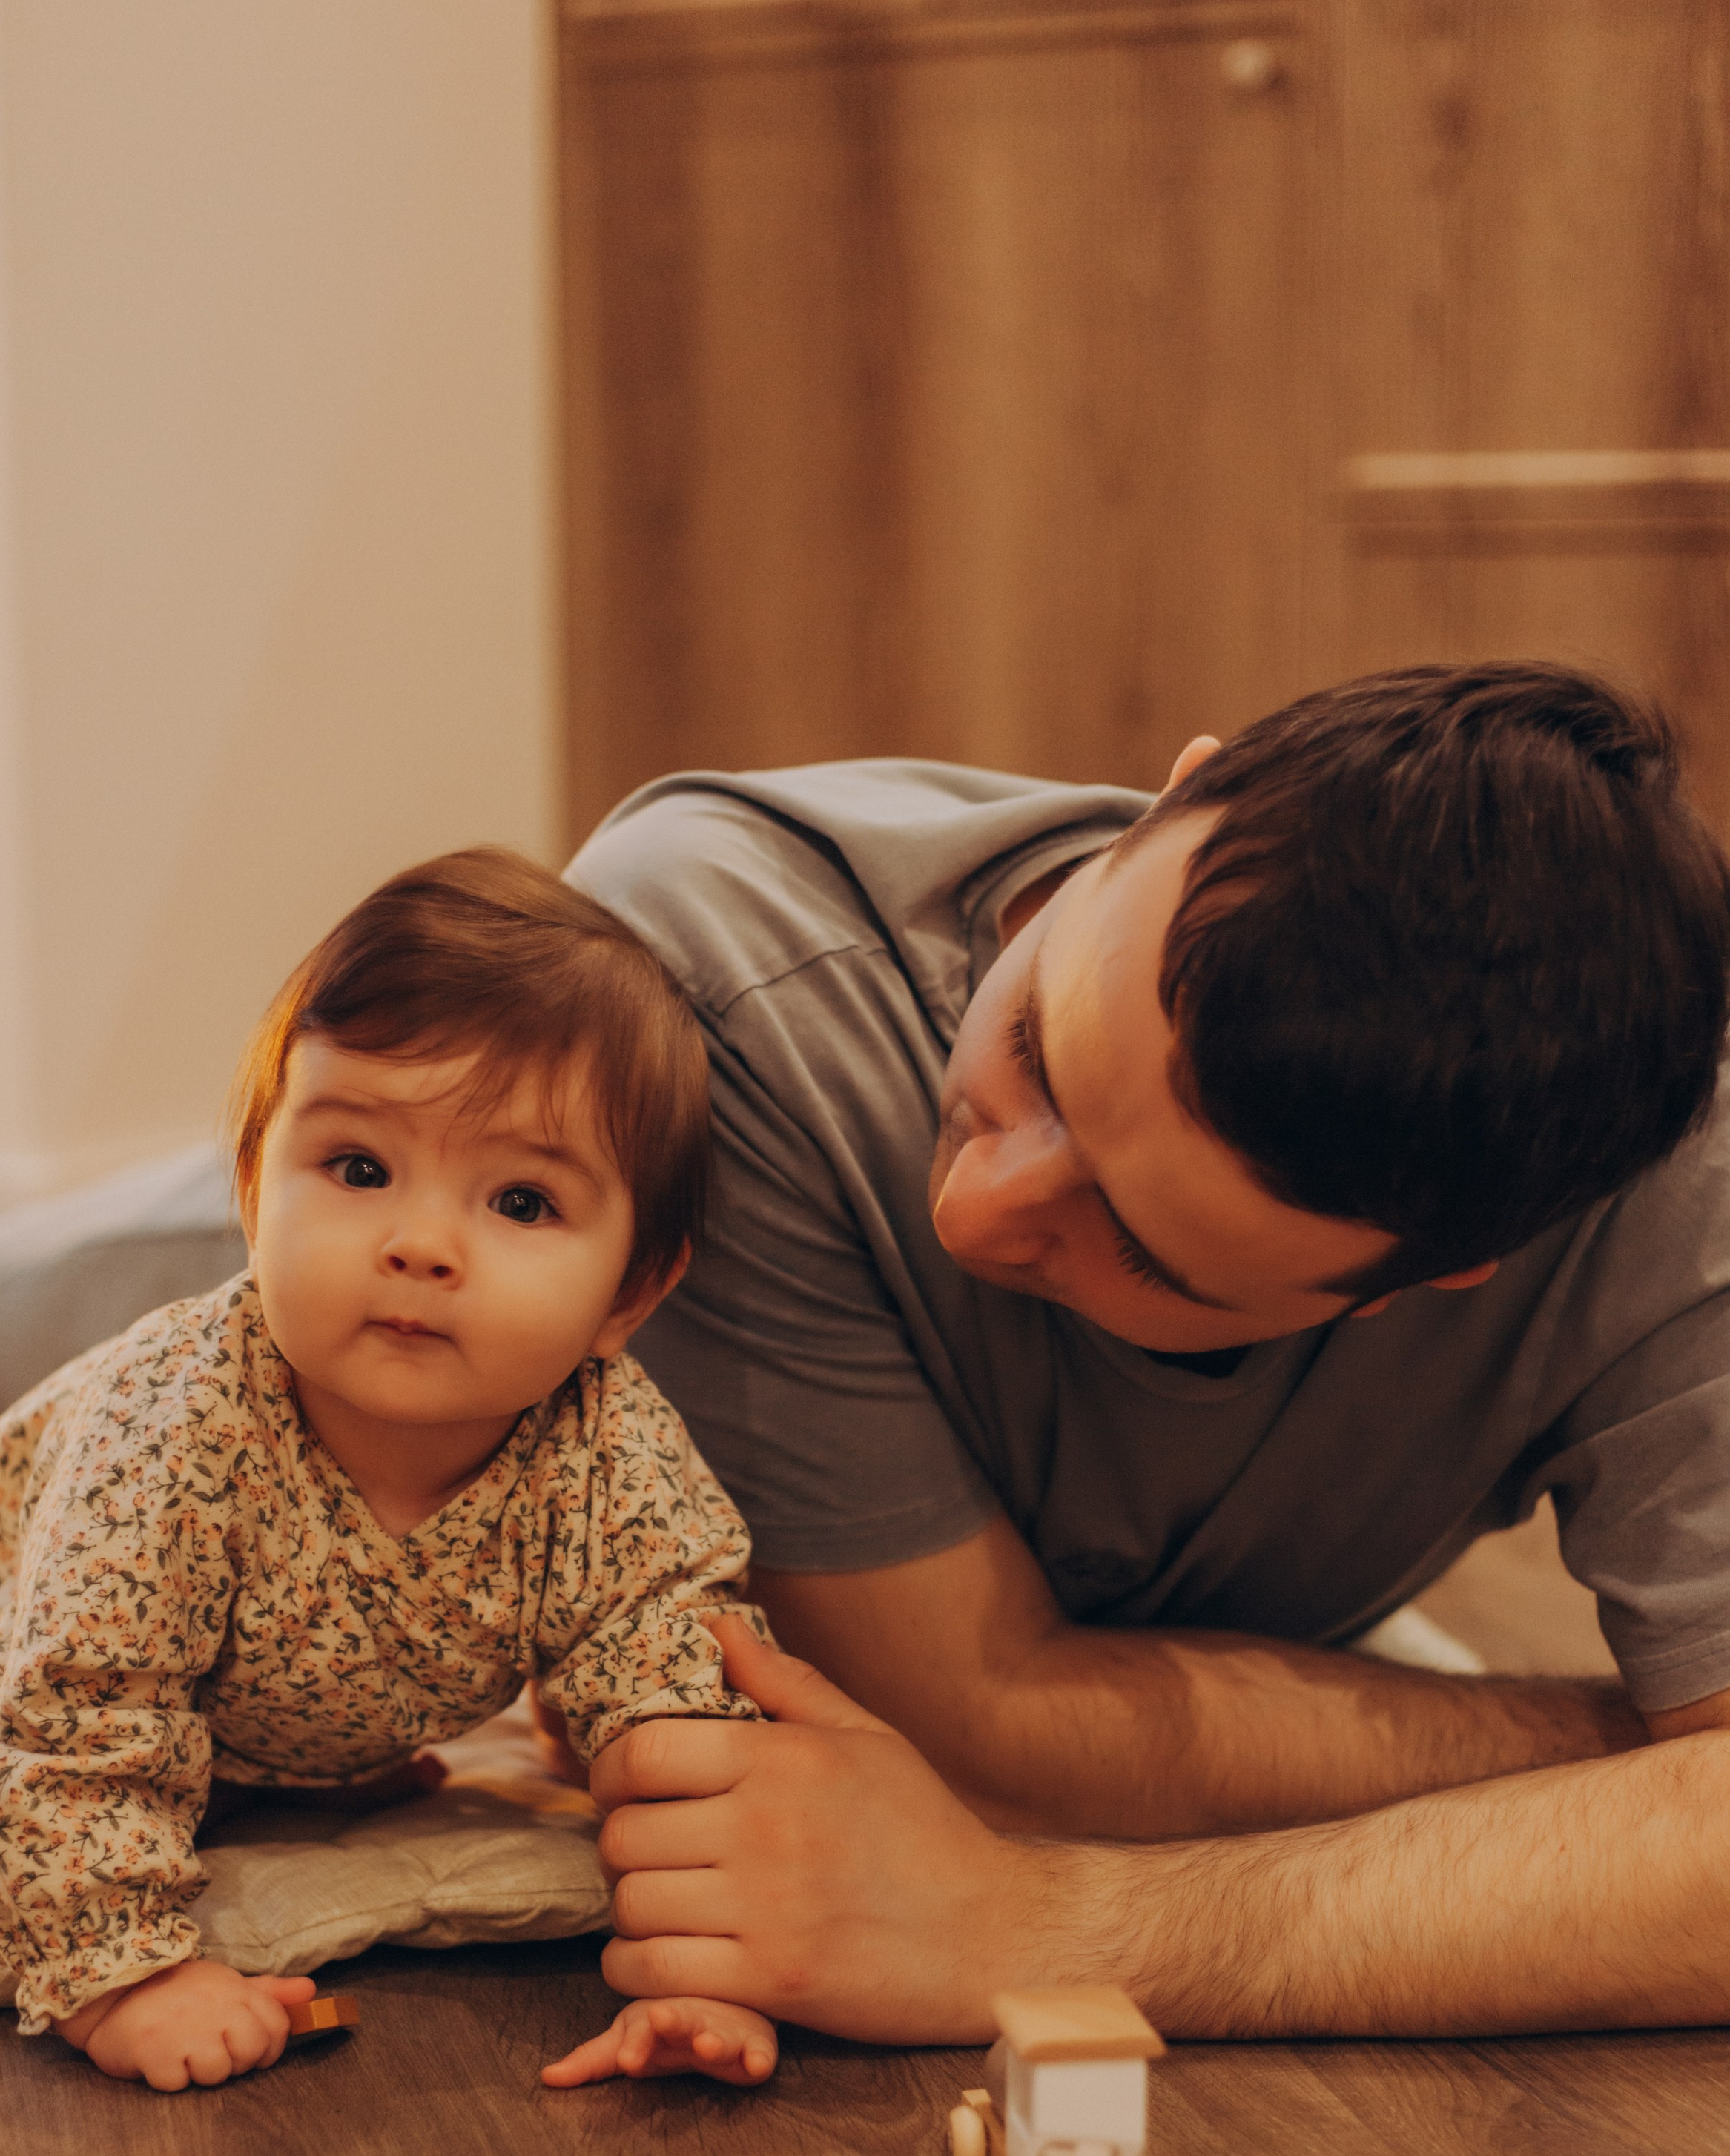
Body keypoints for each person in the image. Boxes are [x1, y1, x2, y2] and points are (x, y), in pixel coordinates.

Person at [562, 662, 1730, 2043]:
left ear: (1436, 1279)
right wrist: (1617, 1770)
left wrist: (1048, 1930)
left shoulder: (1674, 1195)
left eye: (1143, 1251)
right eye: (1033, 1048)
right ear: (1176, 791)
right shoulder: (709, 976)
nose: (973, 1209)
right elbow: (963, 1731)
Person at [0, 848, 782, 2093]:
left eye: (522, 1202)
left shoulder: (610, 1457)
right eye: (361, 1171)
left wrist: (702, 1965)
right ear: (255, 1185)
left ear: (631, 1293)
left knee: (632, 1707)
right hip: (32, 1606)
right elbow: (64, 1714)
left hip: (289, 1687)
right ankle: (219, 1758)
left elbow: (683, 1714)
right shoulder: (174, 1428)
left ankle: (294, 1756)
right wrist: (132, 1977)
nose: (421, 1245)